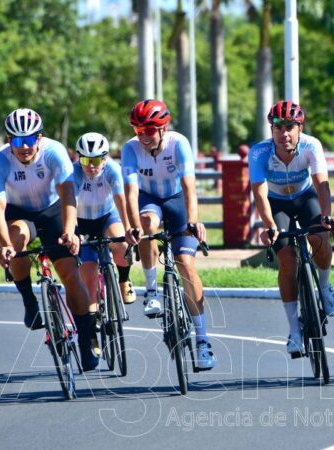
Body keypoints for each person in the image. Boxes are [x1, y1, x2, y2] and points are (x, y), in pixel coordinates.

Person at [0, 108, 99, 371]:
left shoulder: (53, 151)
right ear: (8, 140)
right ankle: (29, 300)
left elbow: (68, 194)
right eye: (17, 140)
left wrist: (70, 231)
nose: (24, 146)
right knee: (16, 241)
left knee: (70, 274)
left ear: (39, 137)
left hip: (52, 211)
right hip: (19, 213)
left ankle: (85, 341)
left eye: (29, 139)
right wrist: (4, 245)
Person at [121, 99, 216, 371]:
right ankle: (151, 290)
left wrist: (193, 221)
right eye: (138, 130)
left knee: (186, 265)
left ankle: (202, 341)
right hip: (149, 200)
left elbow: (189, 188)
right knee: (147, 223)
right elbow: (131, 194)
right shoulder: (130, 149)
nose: (143, 136)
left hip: (176, 200)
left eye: (149, 130)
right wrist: (132, 226)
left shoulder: (178, 144)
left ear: (163, 128)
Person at [249, 100, 334, 357]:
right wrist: (269, 226)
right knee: (287, 260)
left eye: (289, 127)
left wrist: (327, 215)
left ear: (300, 128)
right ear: (271, 129)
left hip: (305, 197)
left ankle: (325, 286)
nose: (284, 133)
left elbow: (321, 183)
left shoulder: (311, 145)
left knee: (320, 236)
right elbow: (259, 192)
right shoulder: (259, 152)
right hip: (276, 203)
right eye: (278, 127)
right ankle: (294, 331)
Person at [73, 132, 136, 313]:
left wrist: (129, 228)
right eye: (86, 160)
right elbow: (71, 203)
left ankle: (124, 279)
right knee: (89, 281)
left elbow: (121, 200)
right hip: (82, 222)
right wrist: (73, 232)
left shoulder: (113, 169)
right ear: (79, 158)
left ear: (105, 158)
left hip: (107, 217)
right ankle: (92, 324)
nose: (91, 166)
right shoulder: (74, 172)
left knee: (122, 243)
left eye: (95, 160)